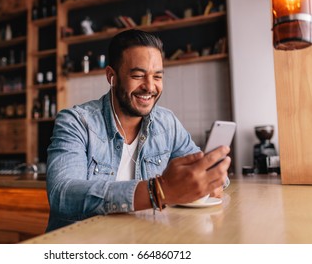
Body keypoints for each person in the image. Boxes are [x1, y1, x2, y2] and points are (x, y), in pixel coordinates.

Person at [45, 29, 231, 232]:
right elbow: (62, 194)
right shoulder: (76, 122)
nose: (150, 87)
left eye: (157, 77)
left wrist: (211, 181)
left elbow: (203, 170)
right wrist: (158, 191)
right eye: (138, 75)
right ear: (111, 76)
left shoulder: (167, 123)